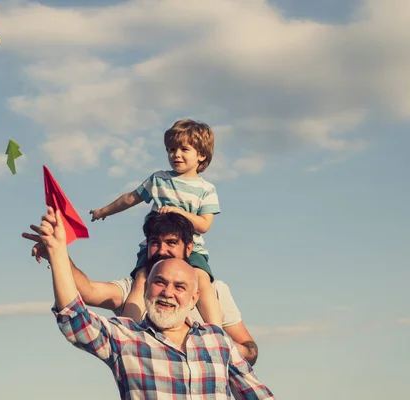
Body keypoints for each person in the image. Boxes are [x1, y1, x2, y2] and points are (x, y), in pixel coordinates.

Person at [37, 206, 275, 400]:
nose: (168, 293)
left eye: (179, 286)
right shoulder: (127, 335)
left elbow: (256, 390)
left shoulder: (217, 336)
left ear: (195, 297)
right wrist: (58, 254)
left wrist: (221, 353)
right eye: (160, 283)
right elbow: (77, 315)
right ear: (148, 288)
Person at [89, 119, 221, 326]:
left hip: (191, 249)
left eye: (184, 149)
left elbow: (204, 224)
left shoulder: (206, 189)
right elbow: (131, 198)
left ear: (201, 155)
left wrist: (180, 212)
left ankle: (216, 331)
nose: (176, 154)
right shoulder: (158, 179)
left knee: (202, 280)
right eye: (171, 149)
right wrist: (104, 211)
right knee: (141, 280)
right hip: (156, 247)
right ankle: (127, 330)